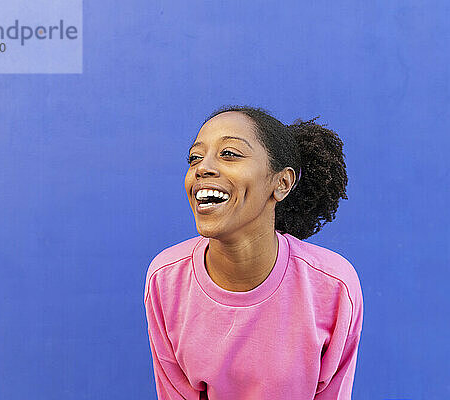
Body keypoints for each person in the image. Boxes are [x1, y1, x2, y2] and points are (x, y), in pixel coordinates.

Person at [144, 105, 363, 399]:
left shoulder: (334, 286)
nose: (202, 168)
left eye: (229, 154)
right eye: (195, 157)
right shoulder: (166, 279)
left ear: (281, 183)